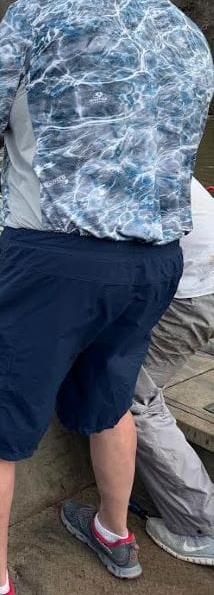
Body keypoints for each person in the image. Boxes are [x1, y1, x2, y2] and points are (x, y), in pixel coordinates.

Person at [0, 0, 214, 594]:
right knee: (113, 399)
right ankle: (114, 532)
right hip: (157, 263)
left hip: (55, 263)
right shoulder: (189, 36)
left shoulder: (39, 11)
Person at [132, 178, 214, 565]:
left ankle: (201, 527)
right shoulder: (153, 136)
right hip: (200, 279)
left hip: (192, 291)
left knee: (136, 400)